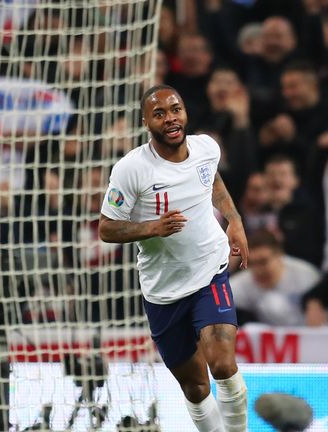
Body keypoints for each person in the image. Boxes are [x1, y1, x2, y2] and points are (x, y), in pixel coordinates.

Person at [99, 84, 249, 432]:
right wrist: (153, 228)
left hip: (210, 271)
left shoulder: (206, 147)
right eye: (160, 113)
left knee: (223, 365)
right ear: (146, 122)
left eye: (175, 109)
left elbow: (212, 180)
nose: (170, 118)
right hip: (163, 291)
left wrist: (235, 220)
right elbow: (107, 229)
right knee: (195, 388)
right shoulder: (131, 169)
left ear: (185, 113)